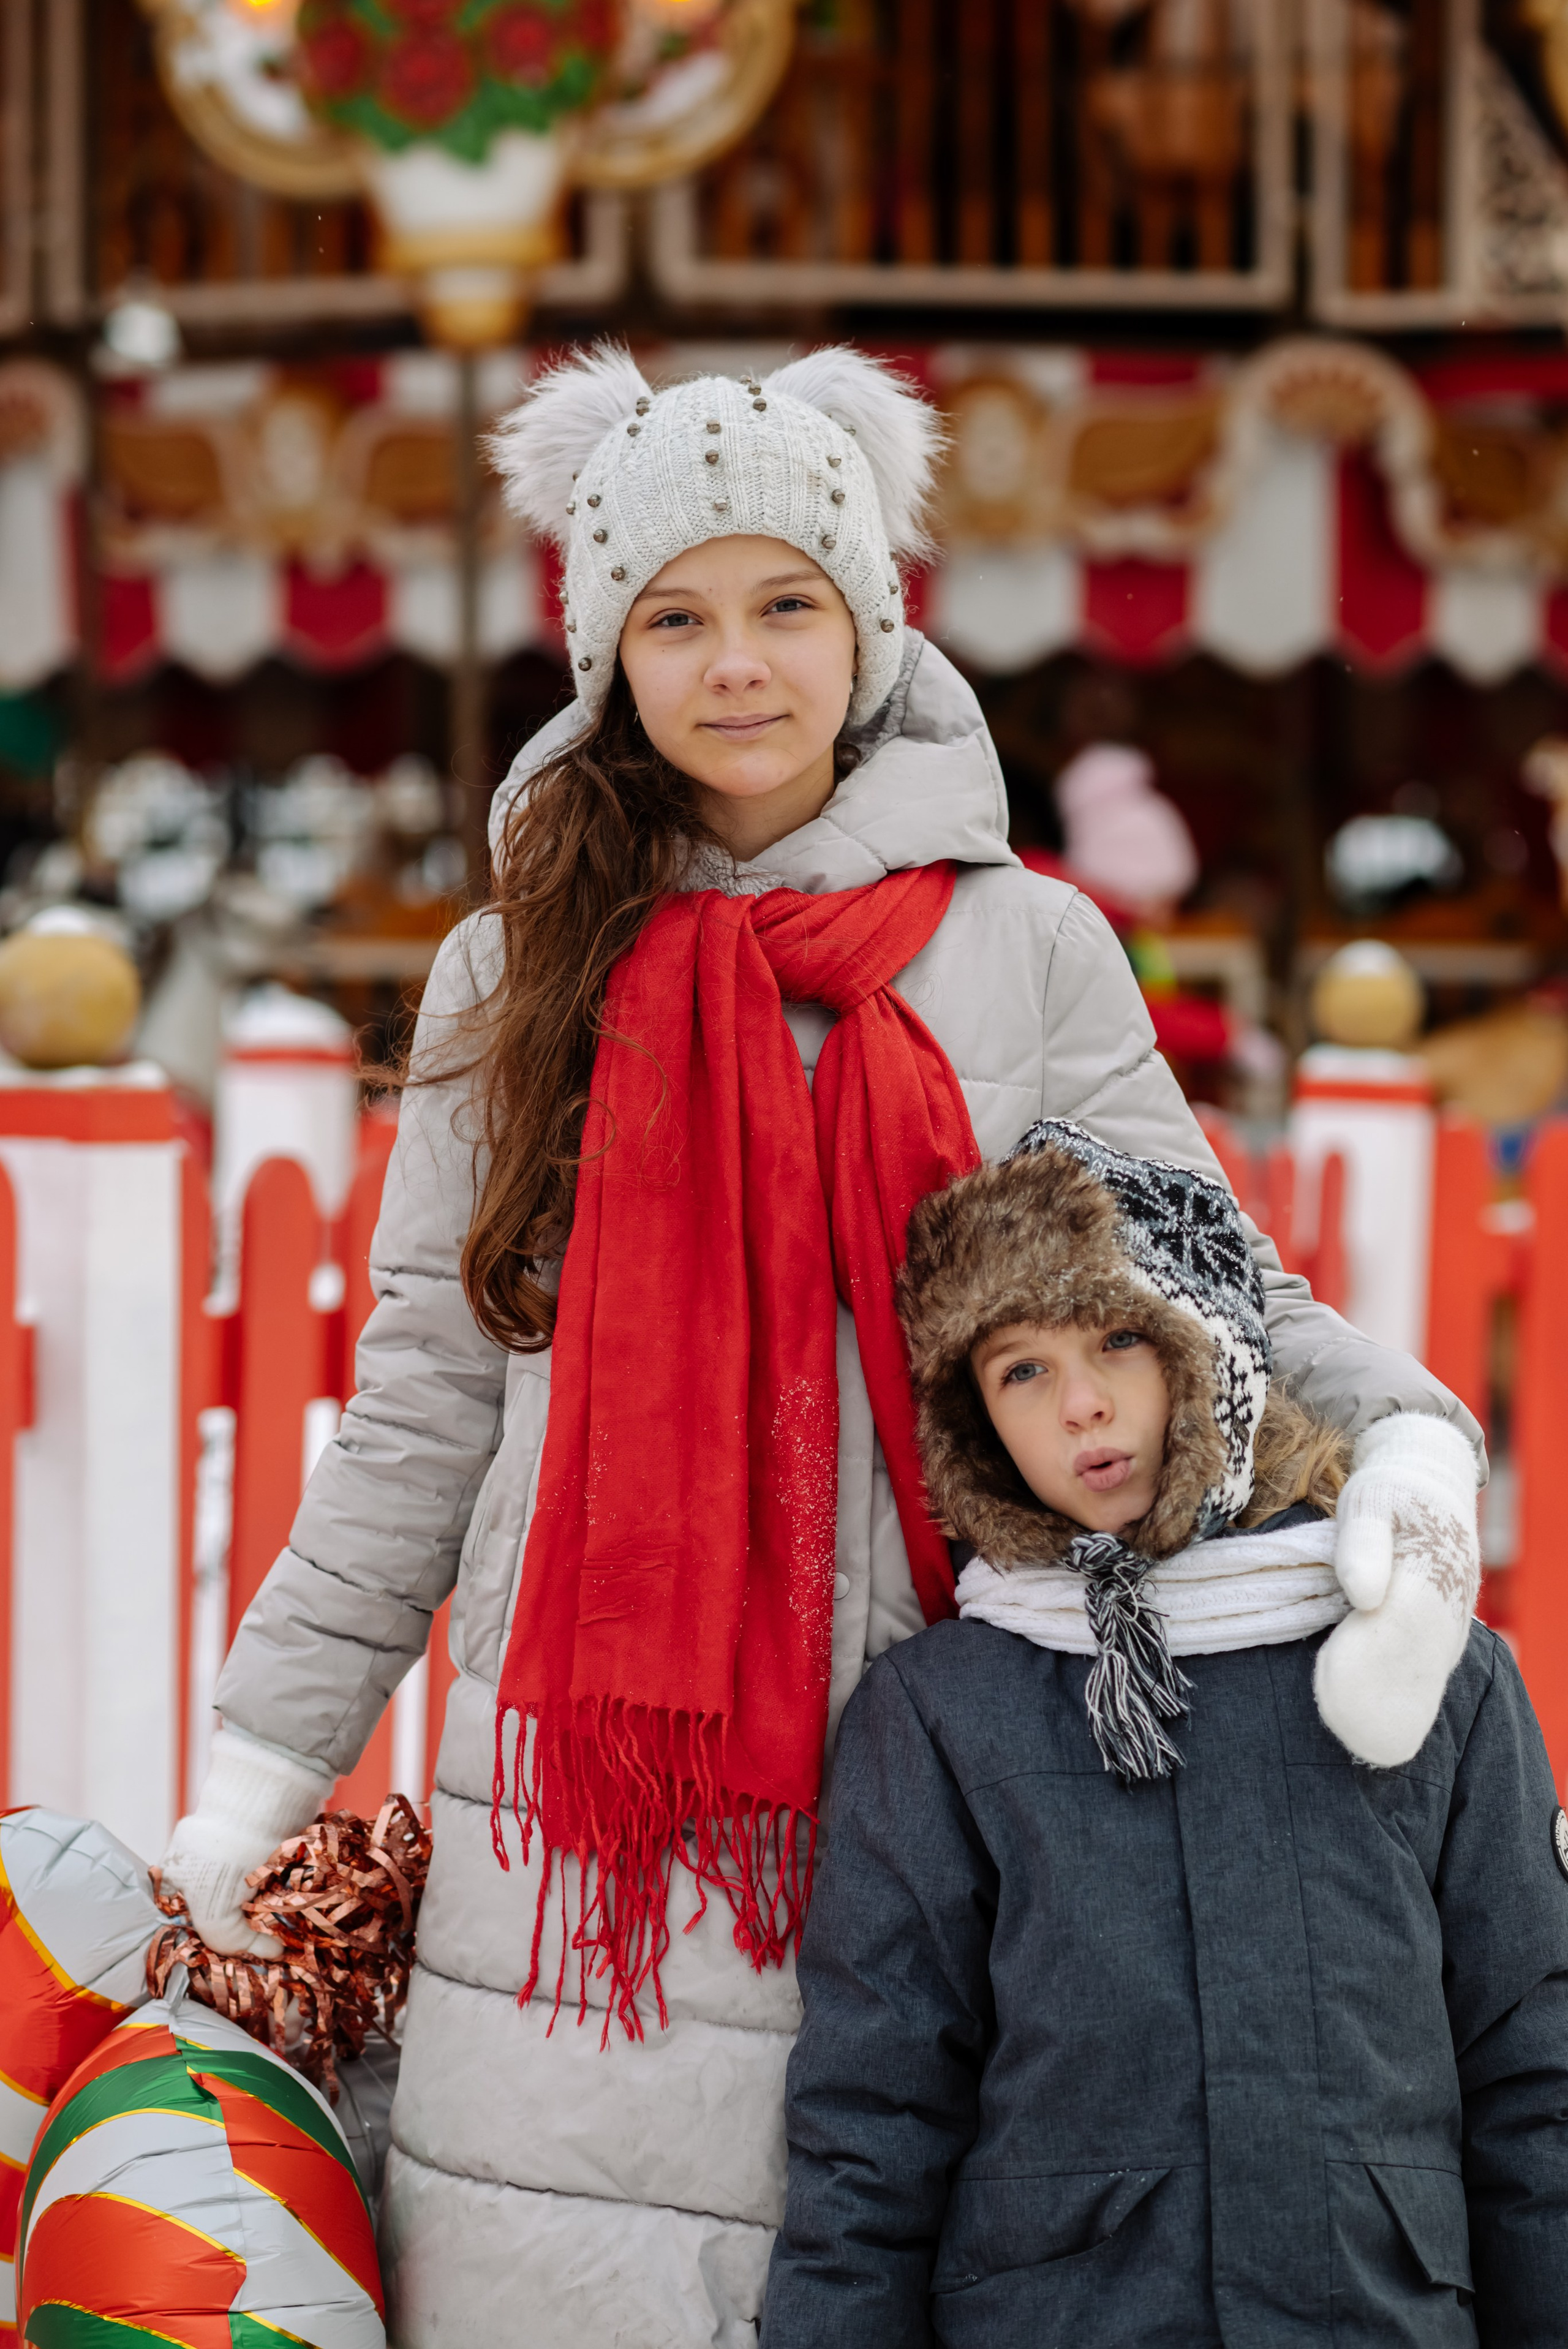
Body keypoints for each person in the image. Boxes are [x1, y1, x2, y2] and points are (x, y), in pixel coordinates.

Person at [162, 346, 1485, 2344]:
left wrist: (1402, 1443)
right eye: (676, 616)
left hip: (951, 1768)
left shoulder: (1026, 947)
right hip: (586, 1820)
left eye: (786, 600)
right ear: (610, 655)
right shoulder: (520, 962)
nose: (737, 661)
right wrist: (256, 1767)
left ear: (870, 618)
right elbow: (426, 1397)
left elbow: (1213, 1282)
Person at [763, 1121, 1566, 2348]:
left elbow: (1530, 2075)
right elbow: (871, 2125)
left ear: (1206, 1347)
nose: (1078, 1403)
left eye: (1117, 1338)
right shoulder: (941, 1712)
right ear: (972, 1421)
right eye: (1017, 1371)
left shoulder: (1429, 1672)